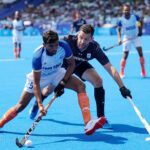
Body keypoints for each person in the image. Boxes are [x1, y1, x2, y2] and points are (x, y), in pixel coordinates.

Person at [0, 30, 105, 135]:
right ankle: (1, 123)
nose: (55, 48)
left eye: (56, 44)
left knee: (81, 86)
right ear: (44, 45)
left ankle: (87, 124)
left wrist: (63, 82)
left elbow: (71, 64)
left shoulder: (63, 46)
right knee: (20, 106)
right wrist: (41, 105)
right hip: (40, 77)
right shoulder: (38, 56)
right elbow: (36, 83)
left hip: (57, 72)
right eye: (51, 46)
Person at [30, 25, 132, 129]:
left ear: (92, 39)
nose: (82, 41)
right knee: (48, 91)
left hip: (79, 65)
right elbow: (48, 51)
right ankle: (36, 105)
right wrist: (60, 82)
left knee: (98, 81)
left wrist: (121, 87)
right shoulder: (66, 41)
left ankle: (101, 117)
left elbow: (110, 67)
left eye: (86, 39)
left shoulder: (94, 48)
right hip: (62, 67)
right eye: (81, 37)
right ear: (77, 34)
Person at [117, 4, 146, 78]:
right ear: (123, 11)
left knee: (140, 53)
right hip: (127, 38)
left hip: (136, 37)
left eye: (128, 10)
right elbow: (119, 30)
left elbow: (140, 23)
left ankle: (143, 71)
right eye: (125, 10)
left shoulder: (135, 16)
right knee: (125, 55)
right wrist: (119, 39)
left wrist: (140, 31)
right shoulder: (120, 20)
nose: (126, 11)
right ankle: (121, 72)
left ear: (130, 10)